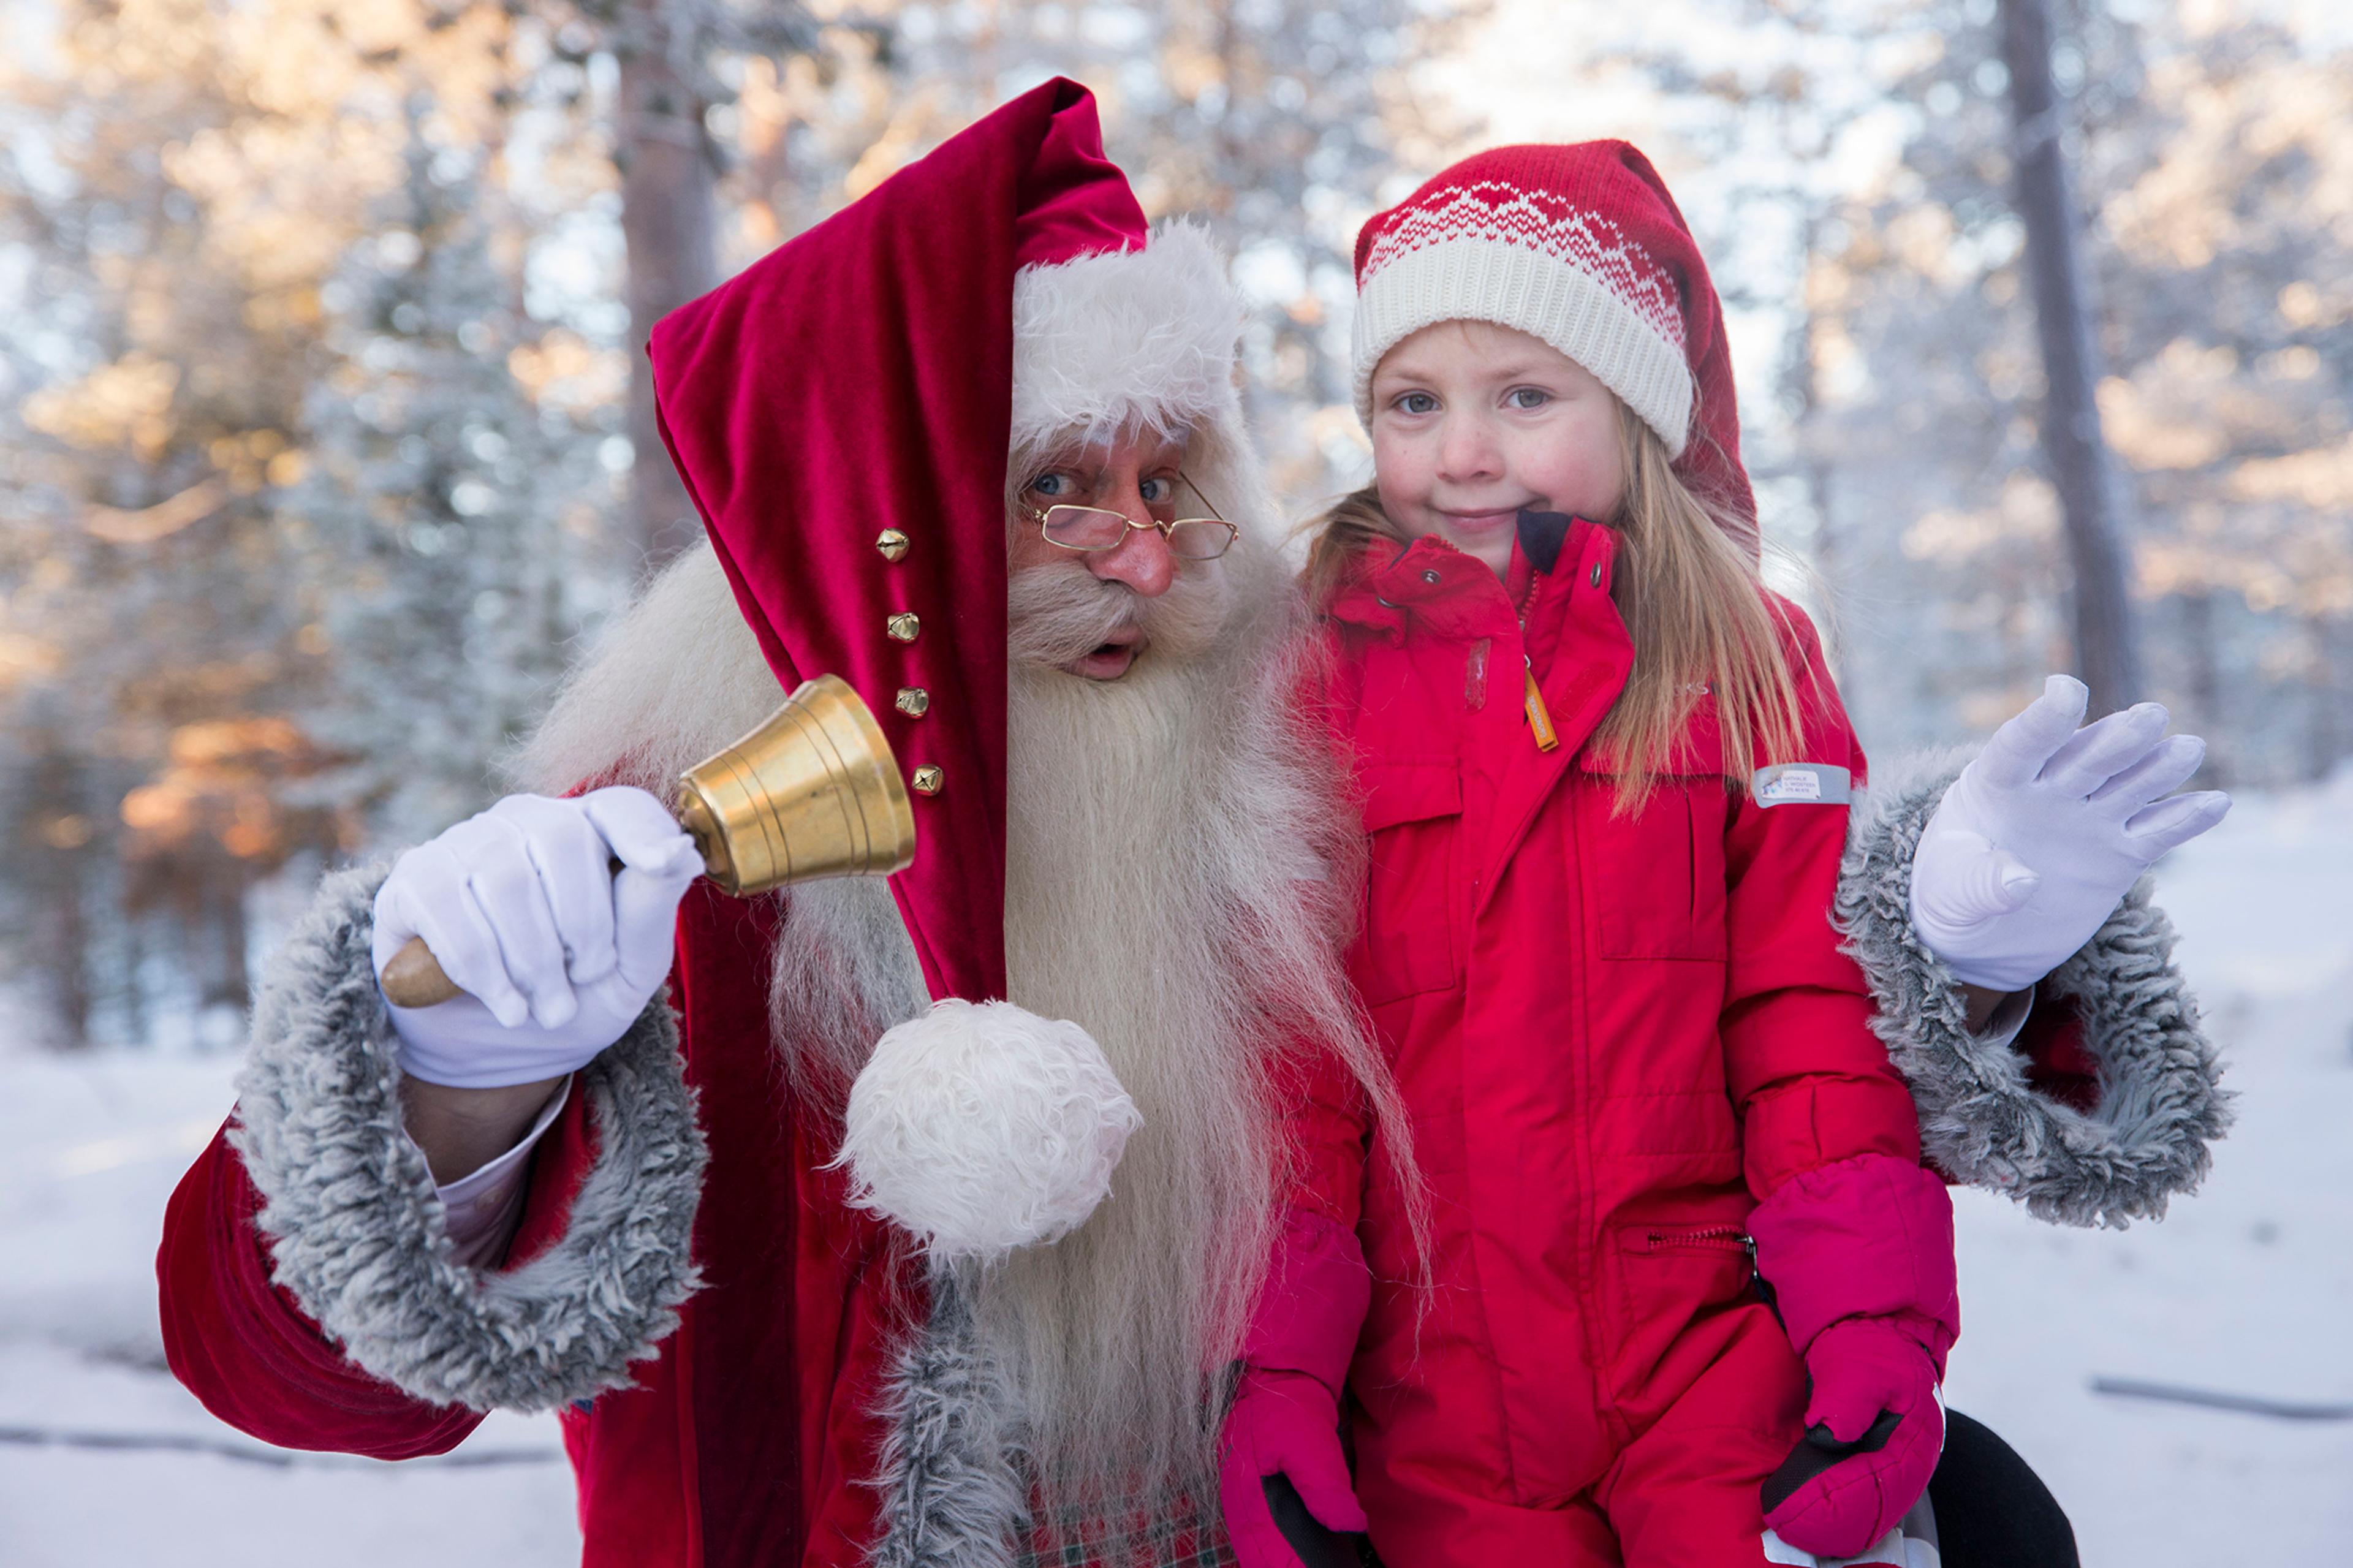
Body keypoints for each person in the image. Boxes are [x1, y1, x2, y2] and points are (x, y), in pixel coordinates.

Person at [159, 97, 2226, 1568]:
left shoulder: (1296, 727)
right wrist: (462, 1081)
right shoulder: (671, 853)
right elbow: (290, 1372)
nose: (1144, 552)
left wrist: (1965, 939)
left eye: (1179, 471)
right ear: (878, 531)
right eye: (1060, 487)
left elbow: (1644, 978)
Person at [1213, 142, 2233, 1568]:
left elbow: (1811, 1021)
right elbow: (1288, 1065)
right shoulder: (1312, 672)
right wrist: (1274, 1370)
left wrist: (1868, 1323)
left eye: (1523, 395)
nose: (1460, 451)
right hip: (1425, 1373)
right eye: (1412, 401)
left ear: (1631, 410)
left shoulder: (1745, 660)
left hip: (1697, 1349)